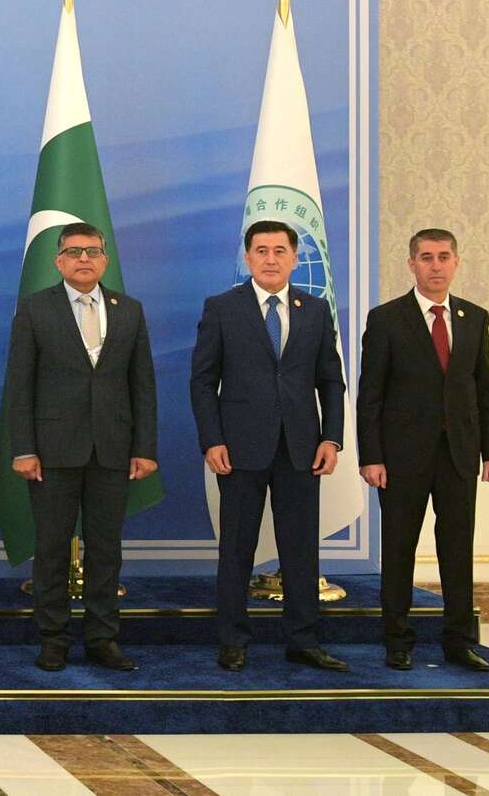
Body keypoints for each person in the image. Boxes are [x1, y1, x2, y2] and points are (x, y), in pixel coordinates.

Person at [189, 219, 347, 672]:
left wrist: (331, 438)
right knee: (237, 548)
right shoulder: (222, 308)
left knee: (301, 549)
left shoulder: (315, 309)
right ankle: (233, 641)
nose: (271, 259)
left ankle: (303, 640)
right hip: (239, 448)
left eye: (280, 251)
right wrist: (212, 439)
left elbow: (330, 380)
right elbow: (203, 381)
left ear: (295, 258)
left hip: (301, 448)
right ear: (248, 258)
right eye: (262, 250)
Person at [3, 222, 157, 672]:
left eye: (92, 251)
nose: (84, 259)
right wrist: (23, 448)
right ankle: (53, 639)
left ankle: (102, 639)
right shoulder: (35, 309)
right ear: (58, 261)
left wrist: (145, 447)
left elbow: (142, 385)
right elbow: (19, 384)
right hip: (51, 452)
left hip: (113, 450)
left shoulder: (129, 310)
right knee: (51, 548)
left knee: (106, 550)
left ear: (105, 260)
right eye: (74, 252)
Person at [359, 228, 489, 671]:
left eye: (443, 256)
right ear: (411, 264)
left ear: (456, 262)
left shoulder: (474, 317)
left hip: (459, 455)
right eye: (426, 257)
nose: (435, 265)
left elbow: (485, 390)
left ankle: (459, 642)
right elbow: (371, 395)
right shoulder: (386, 319)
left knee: (457, 550)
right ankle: (397, 641)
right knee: (399, 549)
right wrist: (371, 456)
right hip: (401, 458)